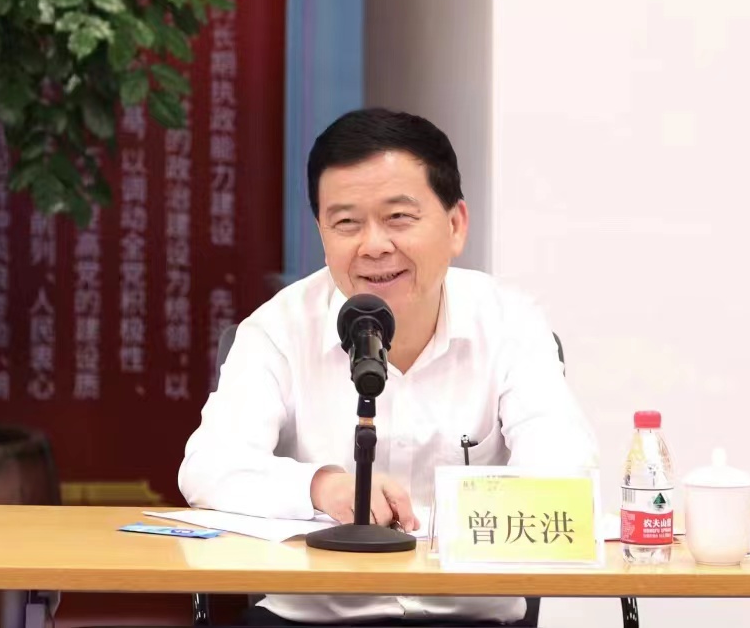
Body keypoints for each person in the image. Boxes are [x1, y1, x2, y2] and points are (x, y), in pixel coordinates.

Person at [178, 108, 598, 626]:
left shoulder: (509, 322)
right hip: (312, 620)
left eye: (398, 217)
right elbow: (209, 465)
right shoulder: (277, 328)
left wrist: (467, 515)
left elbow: (563, 465)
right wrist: (319, 487)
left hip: (470, 618)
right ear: (323, 234)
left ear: (455, 225)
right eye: (346, 223)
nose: (374, 245)